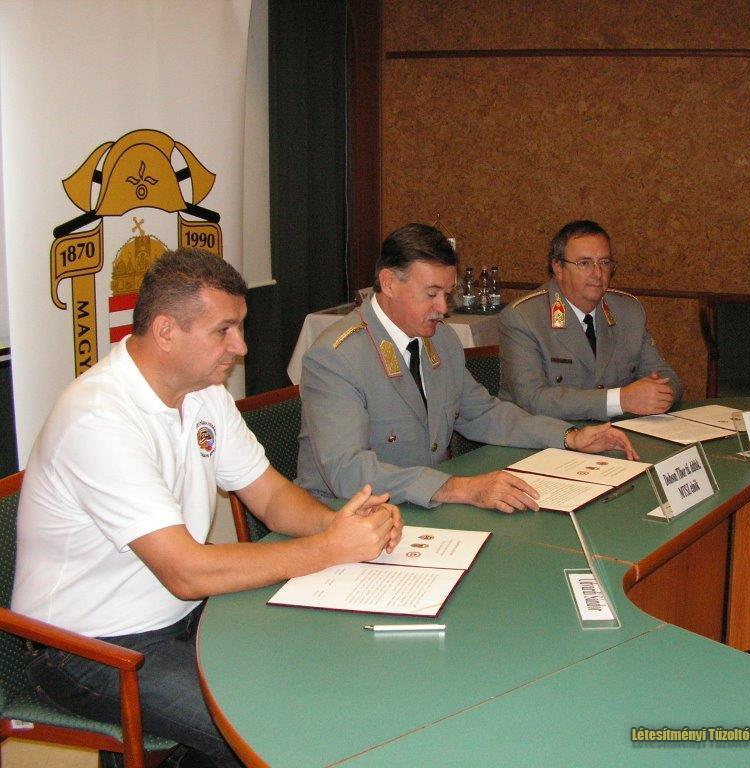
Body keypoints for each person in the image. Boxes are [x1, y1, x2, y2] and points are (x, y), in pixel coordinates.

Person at [12, 249, 402, 768]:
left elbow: (270, 496)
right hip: (88, 650)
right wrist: (330, 548)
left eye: (239, 327)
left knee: (317, 675)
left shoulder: (203, 392)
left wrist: (342, 525)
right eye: (224, 330)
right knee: (271, 729)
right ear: (166, 331)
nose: (240, 347)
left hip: (185, 619)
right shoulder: (98, 419)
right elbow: (186, 572)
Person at [296, 223, 637, 514]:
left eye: (447, 293)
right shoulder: (337, 356)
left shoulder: (441, 340)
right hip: (344, 517)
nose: (443, 308)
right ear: (388, 283)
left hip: (419, 510)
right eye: (431, 293)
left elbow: (483, 414)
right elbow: (347, 471)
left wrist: (569, 436)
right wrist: (458, 488)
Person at [498, 220, 683, 421]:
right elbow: (532, 400)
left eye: (604, 262)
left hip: (617, 433)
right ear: (558, 268)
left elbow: (666, 376)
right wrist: (620, 400)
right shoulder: (524, 318)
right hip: (551, 435)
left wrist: (659, 394)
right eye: (584, 263)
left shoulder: (629, 312)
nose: (597, 274)